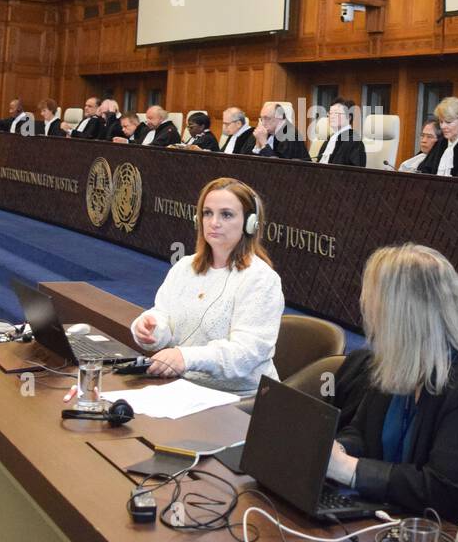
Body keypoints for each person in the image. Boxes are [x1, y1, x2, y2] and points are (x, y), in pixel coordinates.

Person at [326, 244, 458, 521]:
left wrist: (347, 469)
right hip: (401, 515)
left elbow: (444, 490)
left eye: (377, 311)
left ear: (405, 320)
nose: (371, 321)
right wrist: (337, 449)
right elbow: (362, 431)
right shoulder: (400, 361)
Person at [129, 178, 283, 395]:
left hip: (240, 402)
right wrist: (151, 328)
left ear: (251, 223)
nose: (214, 222)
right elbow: (163, 315)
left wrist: (185, 357)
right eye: (207, 213)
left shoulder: (261, 279)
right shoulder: (185, 267)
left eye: (226, 214)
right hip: (183, 388)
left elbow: (245, 353)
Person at [316, 97, 366, 167]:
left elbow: (355, 174)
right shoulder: (330, 138)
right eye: (330, 113)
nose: (331, 117)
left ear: (349, 117)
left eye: (336, 113)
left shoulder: (355, 142)